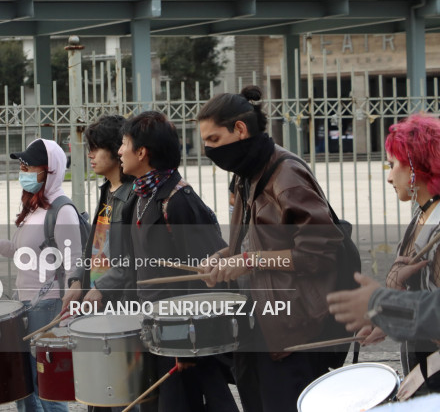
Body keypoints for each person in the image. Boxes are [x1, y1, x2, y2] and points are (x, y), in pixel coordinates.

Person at [197, 86, 344, 412]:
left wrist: (249, 261)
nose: (208, 150)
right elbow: (255, 242)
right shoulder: (245, 175)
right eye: (204, 142)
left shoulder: (286, 174)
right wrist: (223, 259)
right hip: (256, 324)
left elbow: (320, 252)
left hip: (292, 329)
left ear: (240, 129)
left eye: (214, 140)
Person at [118, 111, 237, 412]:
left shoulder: (179, 200)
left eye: (124, 143)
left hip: (181, 340)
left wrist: (189, 343)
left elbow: (206, 279)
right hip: (153, 332)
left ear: (142, 152)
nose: (119, 151)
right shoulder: (140, 196)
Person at [337, 113, 440, 392]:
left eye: (393, 165)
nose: (389, 177)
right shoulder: (423, 213)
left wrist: (385, 305)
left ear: (415, 167)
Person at [0, 138, 82, 412]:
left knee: (47, 385)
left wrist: (72, 296)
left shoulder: (62, 211)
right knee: (22, 383)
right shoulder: (35, 207)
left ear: (50, 169)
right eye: (22, 165)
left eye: (29, 165)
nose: (23, 170)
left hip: (48, 305)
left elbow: (75, 260)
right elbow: (21, 250)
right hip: (24, 303)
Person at [62, 115, 137, 313]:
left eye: (96, 148)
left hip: (122, 304)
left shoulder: (134, 195)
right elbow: (95, 248)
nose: (90, 155)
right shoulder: (107, 191)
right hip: (98, 302)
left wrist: (102, 287)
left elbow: (136, 257)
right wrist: (77, 279)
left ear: (115, 148)